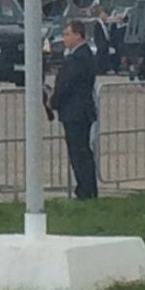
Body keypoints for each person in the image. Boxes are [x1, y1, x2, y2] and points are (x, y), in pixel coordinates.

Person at [50, 19, 98, 200]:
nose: (64, 38)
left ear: (78, 35)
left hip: (76, 112)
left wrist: (53, 102)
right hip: (80, 111)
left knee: (79, 154)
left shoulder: (78, 58)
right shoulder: (82, 55)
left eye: (67, 34)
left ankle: (85, 191)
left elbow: (67, 85)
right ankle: (88, 190)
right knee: (82, 152)